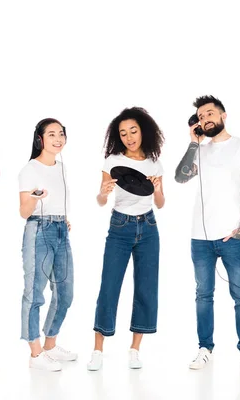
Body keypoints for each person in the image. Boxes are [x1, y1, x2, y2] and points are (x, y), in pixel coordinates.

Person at [174, 95, 240, 372]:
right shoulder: (200, 149)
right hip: (200, 237)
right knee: (203, 295)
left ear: (223, 115)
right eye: (200, 117)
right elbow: (180, 176)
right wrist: (193, 142)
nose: (205, 119)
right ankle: (204, 348)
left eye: (209, 113)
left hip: (231, 237)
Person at [87, 107, 165, 371]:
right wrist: (103, 192)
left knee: (146, 288)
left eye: (133, 131)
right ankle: (97, 349)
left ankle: (134, 349)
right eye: (123, 133)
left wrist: (156, 190)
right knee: (109, 286)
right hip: (120, 226)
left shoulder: (154, 162)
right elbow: (100, 201)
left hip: (149, 227)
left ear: (143, 130)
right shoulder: (112, 161)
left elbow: (161, 203)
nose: (129, 137)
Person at [18, 118, 76, 372]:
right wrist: (34, 197)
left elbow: (60, 200)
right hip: (38, 230)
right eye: (51, 134)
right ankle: (35, 353)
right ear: (40, 139)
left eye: (61, 134)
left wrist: (63, 219)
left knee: (65, 292)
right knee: (34, 294)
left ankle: (51, 345)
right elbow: (23, 211)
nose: (58, 138)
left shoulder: (62, 167)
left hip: (61, 230)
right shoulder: (29, 169)